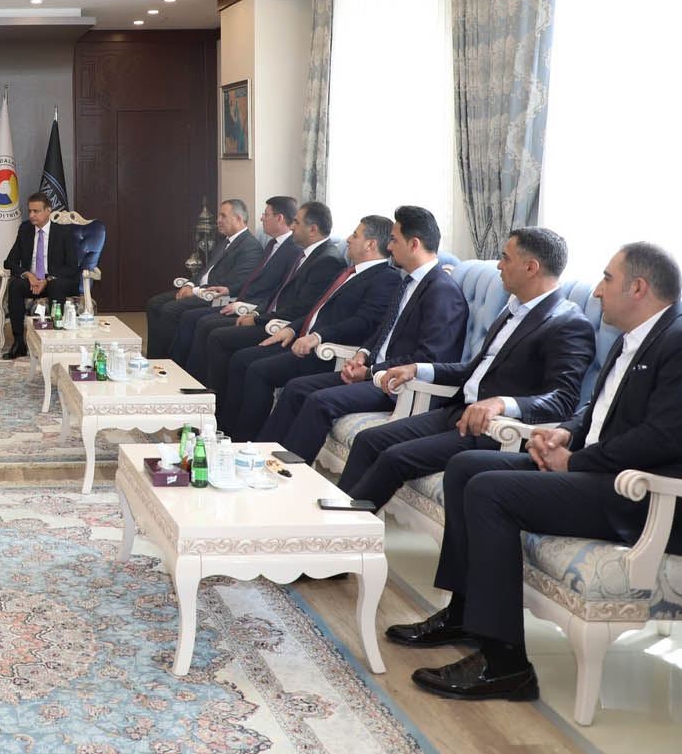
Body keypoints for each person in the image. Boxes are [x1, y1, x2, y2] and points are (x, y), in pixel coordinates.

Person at [394, 243, 682, 703]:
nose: (598, 291)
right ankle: (464, 615)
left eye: (607, 279)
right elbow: (599, 411)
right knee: (465, 466)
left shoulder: (676, 340)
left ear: (639, 288)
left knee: (490, 491)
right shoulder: (636, 335)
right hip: (599, 472)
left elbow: (663, 437)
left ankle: (505, 664)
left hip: (638, 496)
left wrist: (575, 461)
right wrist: (564, 433)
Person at [337, 227, 595, 510]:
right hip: (457, 410)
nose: (499, 265)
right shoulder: (512, 309)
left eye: (505, 258)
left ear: (531, 267)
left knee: (393, 457)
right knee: (370, 439)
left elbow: (562, 399)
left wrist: (502, 404)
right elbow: (476, 369)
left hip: (493, 430)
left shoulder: (568, 323)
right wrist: (418, 369)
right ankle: (336, 518)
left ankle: (349, 525)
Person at [260, 205, 468, 463]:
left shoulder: (442, 291)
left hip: (399, 386)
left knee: (319, 402)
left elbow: (429, 358)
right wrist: (362, 354)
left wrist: (370, 371)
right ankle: (264, 459)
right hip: (374, 373)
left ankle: (290, 471)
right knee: (296, 388)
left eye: (394, 240)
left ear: (414, 244)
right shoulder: (408, 281)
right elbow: (384, 330)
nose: (389, 247)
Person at [214, 216, 399, 440]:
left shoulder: (386, 278)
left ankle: (246, 440)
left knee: (258, 370)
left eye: (355, 235)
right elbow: (317, 309)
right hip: (302, 339)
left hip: (327, 351)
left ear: (371, 244)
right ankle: (224, 430)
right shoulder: (350, 272)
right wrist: (292, 329)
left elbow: (363, 323)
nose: (348, 239)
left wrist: (318, 336)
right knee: (241, 359)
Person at [185, 201, 346, 388]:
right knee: (212, 330)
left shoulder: (327, 261)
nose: (292, 226)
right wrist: (255, 312)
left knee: (219, 338)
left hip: (283, 325)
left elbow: (302, 309)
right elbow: (278, 292)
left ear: (313, 229)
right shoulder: (306, 253)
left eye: (296, 222)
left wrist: (257, 318)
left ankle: (210, 395)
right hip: (269, 315)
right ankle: (202, 389)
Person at [160, 196, 301, 364]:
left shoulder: (293, 250)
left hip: (255, 308)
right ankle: (177, 366)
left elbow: (277, 290)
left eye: (266, 214)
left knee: (201, 322)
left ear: (279, 218)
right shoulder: (272, 245)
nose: (261, 218)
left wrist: (251, 309)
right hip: (238, 299)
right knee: (190, 317)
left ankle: (189, 373)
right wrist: (227, 291)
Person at [143, 199, 262, 358]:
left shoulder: (250, 247)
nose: (218, 220)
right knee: (154, 303)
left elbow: (234, 283)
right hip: (199, 290)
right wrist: (190, 284)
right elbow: (206, 271)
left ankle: (168, 360)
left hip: (214, 296)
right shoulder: (225, 241)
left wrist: (195, 291)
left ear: (238, 219)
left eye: (223, 216)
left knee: (170, 309)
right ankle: (154, 357)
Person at [0, 193, 81, 360]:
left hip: (56, 281)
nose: (31, 215)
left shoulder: (63, 232)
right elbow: (9, 262)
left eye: (36, 211)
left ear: (48, 210)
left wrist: (47, 279)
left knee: (56, 285)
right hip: (33, 281)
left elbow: (72, 267)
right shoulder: (25, 230)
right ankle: (19, 343)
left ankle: (55, 341)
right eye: (30, 211)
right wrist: (28, 274)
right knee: (15, 286)